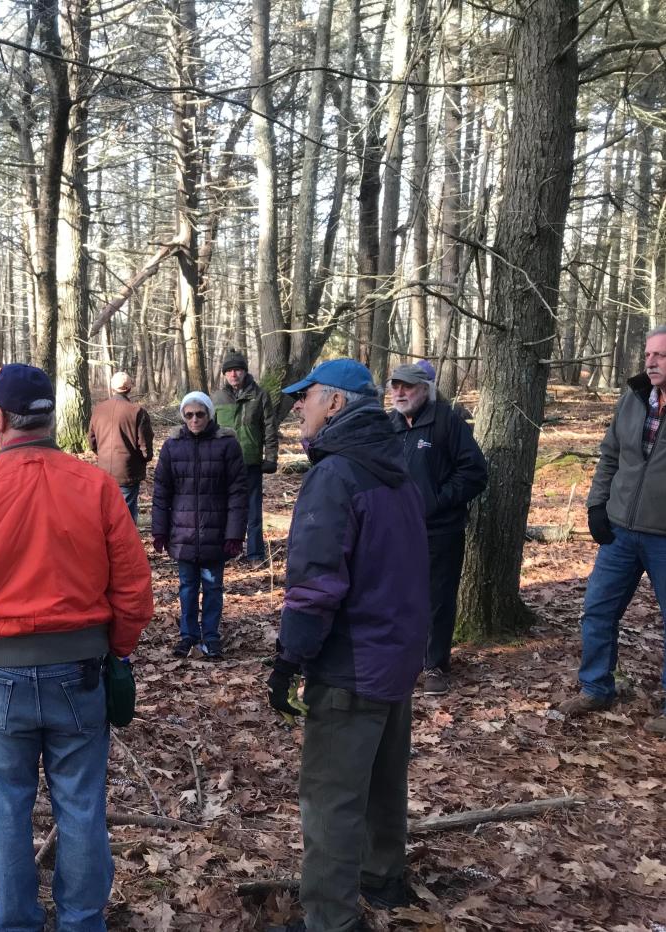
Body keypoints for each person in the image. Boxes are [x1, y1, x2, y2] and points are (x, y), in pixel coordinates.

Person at [0, 364, 153, 932]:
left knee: (4, 808)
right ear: (50, 417)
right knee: (81, 807)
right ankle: (81, 922)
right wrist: (113, 650)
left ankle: (16, 922)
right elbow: (133, 591)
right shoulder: (95, 485)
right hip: (81, 674)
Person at [267, 358, 430, 932]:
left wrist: (289, 659)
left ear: (335, 404)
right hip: (395, 653)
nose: (297, 407)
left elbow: (315, 583)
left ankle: (332, 920)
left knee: (331, 798)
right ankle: (382, 878)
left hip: (354, 660)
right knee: (384, 778)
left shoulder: (337, 474)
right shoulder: (394, 463)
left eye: (305, 397)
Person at [560, 325, 666, 737]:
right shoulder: (633, 399)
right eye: (648, 354)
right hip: (621, 530)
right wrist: (596, 506)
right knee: (598, 610)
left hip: (665, 536)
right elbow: (609, 456)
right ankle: (595, 687)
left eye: (661, 355)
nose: (650, 362)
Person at [386, 361, 488, 695]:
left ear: (425, 389)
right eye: (395, 386)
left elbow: (474, 472)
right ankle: (402, 659)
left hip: (440, 530)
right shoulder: (389, 424)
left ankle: (435, 665)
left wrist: (437, 501)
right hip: (397, 530)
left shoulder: (447, 421)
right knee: (399, 596)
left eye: (408, 386)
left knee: (438, 599)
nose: (400, 393)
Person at [152, 392, 247, 661]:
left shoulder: (227, 445)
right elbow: (161, 491)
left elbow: (238, 493)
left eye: (200, 414)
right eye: (189, 414)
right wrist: (159, 530)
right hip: (182, 531)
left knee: (213, 586)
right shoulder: (172, 446)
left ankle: (212, 636)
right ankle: (188, 635)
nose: (195, 419)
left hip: (215, 530)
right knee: (187, 586)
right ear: (183, 416)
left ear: (209, 414)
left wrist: (234, 534)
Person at [211, 349, 278, 564]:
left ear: (245, 371)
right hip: (223, 464)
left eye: (237, 370)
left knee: (253, 511)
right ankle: (225, 551)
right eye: (229, 371)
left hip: (251, 463)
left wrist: (271, 457)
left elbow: (269, 428)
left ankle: (255, 554)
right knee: (223, 509)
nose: (233, 374)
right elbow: (209, 431)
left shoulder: (260, 395)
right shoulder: (216, 398)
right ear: (224, 374)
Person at [88, 371, 155, 523]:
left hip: (104, 470)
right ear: (130, 388)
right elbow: (145, 446)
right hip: (128, 472)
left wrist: (103, 454)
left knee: (106, 514)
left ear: (112, 388)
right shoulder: (138, 412)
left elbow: (92, 442)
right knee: (126, 518)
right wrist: (145, 458)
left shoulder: (99, 409)